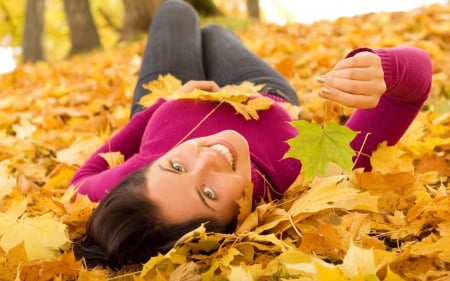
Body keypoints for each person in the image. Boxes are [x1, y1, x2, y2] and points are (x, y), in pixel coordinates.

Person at [72, 0, 432, 270]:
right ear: (233, 225)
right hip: (264, 92)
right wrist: (384, 69)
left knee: (177, 11)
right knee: (215, 35)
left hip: (170, 97)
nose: (208, 159)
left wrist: (160, 105)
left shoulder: (143, 182)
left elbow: (78, 185)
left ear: (147, 168)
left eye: (176, 167)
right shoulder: (301, 177)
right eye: (208, 193)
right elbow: (415, 83)